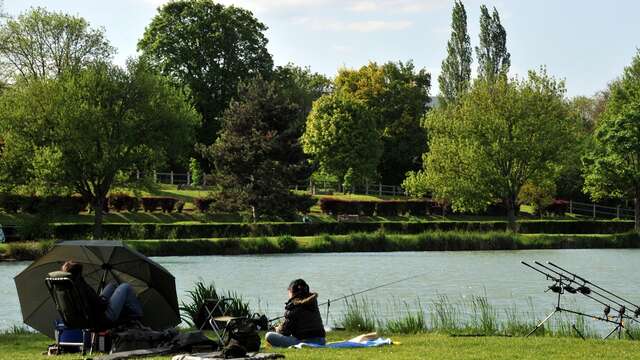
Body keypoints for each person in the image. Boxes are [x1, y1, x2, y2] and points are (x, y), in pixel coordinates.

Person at [61, 260, 143, 324]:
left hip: (92, 313)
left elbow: (90, 301)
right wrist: (105, 302)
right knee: (125, 286)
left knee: (112, 285)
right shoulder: (80, 286)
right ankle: (137, 313)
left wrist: (102, 299)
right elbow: (99, 305)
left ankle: (123, 307)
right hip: (103, 317)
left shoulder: (68, 286)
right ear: (78, 274)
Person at [265, 279, 326, 348]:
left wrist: (277, 328)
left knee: (269, 335)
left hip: (305, 341)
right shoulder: (312, 303)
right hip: (321, 341)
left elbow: (285, 332)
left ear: (292, 292)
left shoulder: (294, 306)